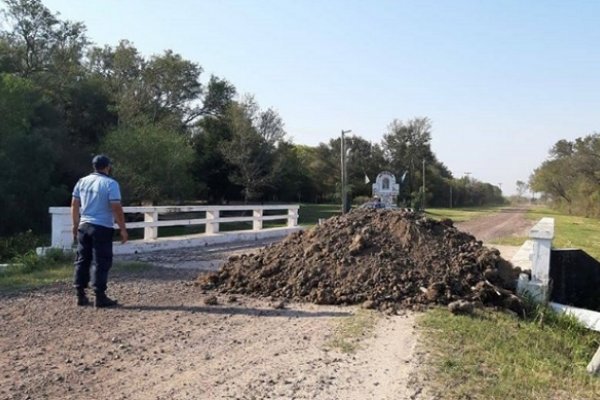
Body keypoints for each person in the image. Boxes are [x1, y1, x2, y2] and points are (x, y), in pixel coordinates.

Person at [71, 155, 128, 308]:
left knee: (82, 259)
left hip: (84, 225)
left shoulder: (82, 181)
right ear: (107, 166)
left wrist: (75, 225)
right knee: (101, 261)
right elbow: (116, 207)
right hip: (102, 226)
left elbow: (75, 205)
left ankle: (80, 294)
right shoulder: (110, 183)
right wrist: (123, 229)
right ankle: (99, 295)